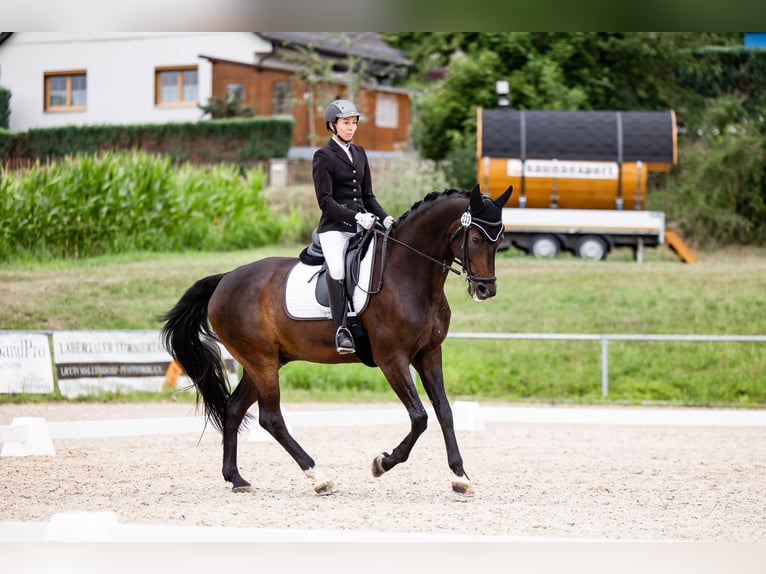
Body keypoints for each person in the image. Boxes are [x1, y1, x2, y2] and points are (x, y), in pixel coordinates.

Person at [313, 98, 395, 354]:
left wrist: (386, 217)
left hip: (365, 225)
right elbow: (325, 201)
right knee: (337, 270)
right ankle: (342, 330)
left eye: (354, 123)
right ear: (332, 125)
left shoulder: (359, 153)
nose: (351, 127)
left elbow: (367, 196)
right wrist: (355, 217)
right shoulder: (323, 156)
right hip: (334, 228)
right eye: (346, 123)